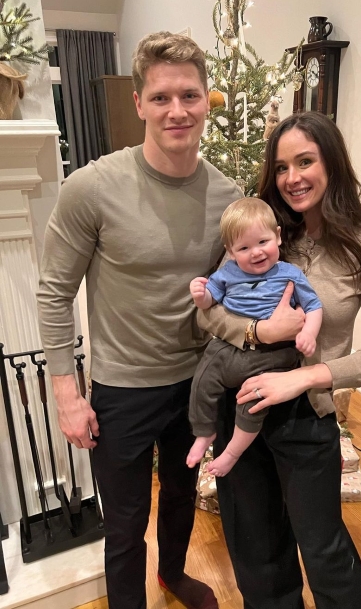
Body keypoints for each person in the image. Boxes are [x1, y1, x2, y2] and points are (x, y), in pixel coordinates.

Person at [36, 31, 242, 609]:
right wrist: (67, 395)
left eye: (190, 96)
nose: (177, 111)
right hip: (122, 390)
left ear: (207, 100)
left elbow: (233, 289)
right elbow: (54, 293)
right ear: (138, 102)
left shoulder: (227, 195)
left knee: (181, 494)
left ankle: (172, 575)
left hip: (198, 382)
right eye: (161, 97)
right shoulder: (93, 188)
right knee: (124, 525)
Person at [197, 111, 361, 609]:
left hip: (306, 414)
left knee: (324, 548)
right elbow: (207, 315)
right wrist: (256, 331)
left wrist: (305, 378)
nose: (292, 178)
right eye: (282, 166)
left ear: (331, 163)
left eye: (305, 161)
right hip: (239, 404)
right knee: (256, 550)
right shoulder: (260, 230)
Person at [186, 197, 322, 476]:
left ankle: (232, 453)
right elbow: (209, 304)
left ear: (278, 237)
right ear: (231, 251)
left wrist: (309, 332)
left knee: (254, 400)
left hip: (274, 356)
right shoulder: (228, 274)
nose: (256, 253)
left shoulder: (290, 274)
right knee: (202, 378)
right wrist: (200, 295)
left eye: (263, 242)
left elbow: (314, 306)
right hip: (229, 347)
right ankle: (203, 432)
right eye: (244, 248)